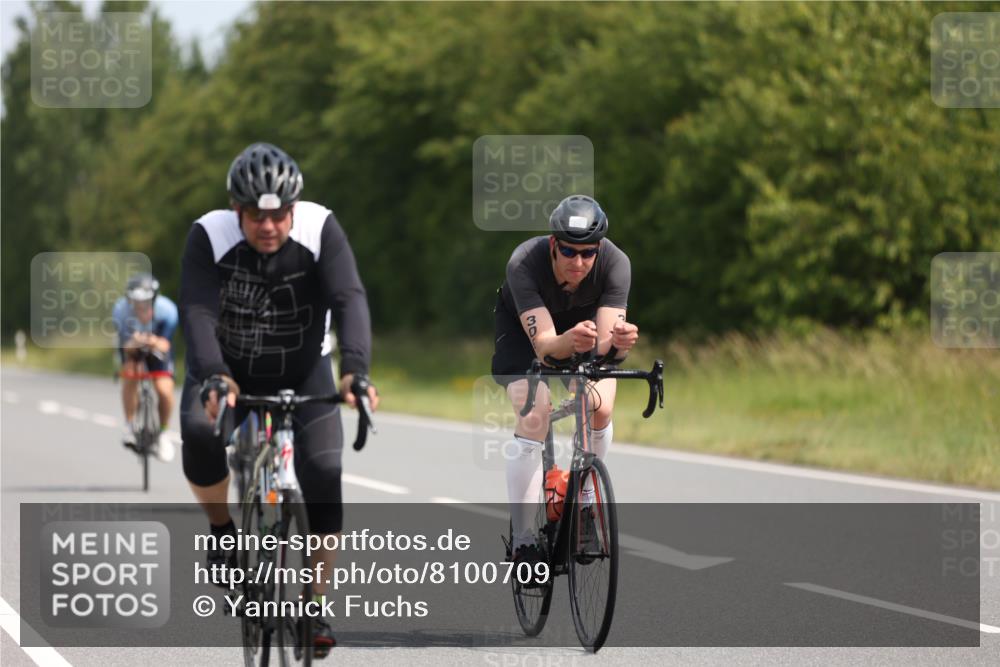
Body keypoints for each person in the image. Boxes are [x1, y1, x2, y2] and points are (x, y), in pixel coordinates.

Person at [179, 142, 379, 656]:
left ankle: (314, 604)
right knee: (200, 433)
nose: (268, 227)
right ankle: (223, 533)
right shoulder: (209, 235)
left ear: (293, 208)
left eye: (278, 215)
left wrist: (356, 371)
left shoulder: (319, 228)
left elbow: (349, 298)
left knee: (324, 470)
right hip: (227, 369)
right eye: (255, 216)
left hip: (303, 368)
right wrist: (215, 375)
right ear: (236, 209)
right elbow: (197, 312)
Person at [491, 194, 639, 568]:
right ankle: (524, 541)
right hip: (524, 334)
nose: (579, 262)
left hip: (584, 331)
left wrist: (618, 345)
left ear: (599, 249)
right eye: (570, 251)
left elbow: (605, 352)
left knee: (599, 405)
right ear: (553, 244)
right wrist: (568, 341)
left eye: (588, 253)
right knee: (535, 413)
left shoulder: (616, 263)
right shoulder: (524, 262)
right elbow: (544, 348)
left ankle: (585, 506)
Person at [112, 273, 178, 462]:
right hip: (132, 348)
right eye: (136, 302)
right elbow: (125, 346)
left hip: (157, 347)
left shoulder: (167, 310)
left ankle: (163, 433)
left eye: (145, 302)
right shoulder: (120, 310)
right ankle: (129, 426)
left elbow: (165, 345)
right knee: (130, 373)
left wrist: (152, 341)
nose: (140, 307)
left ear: (154, 299)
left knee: (164, 389)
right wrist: (135, 343)